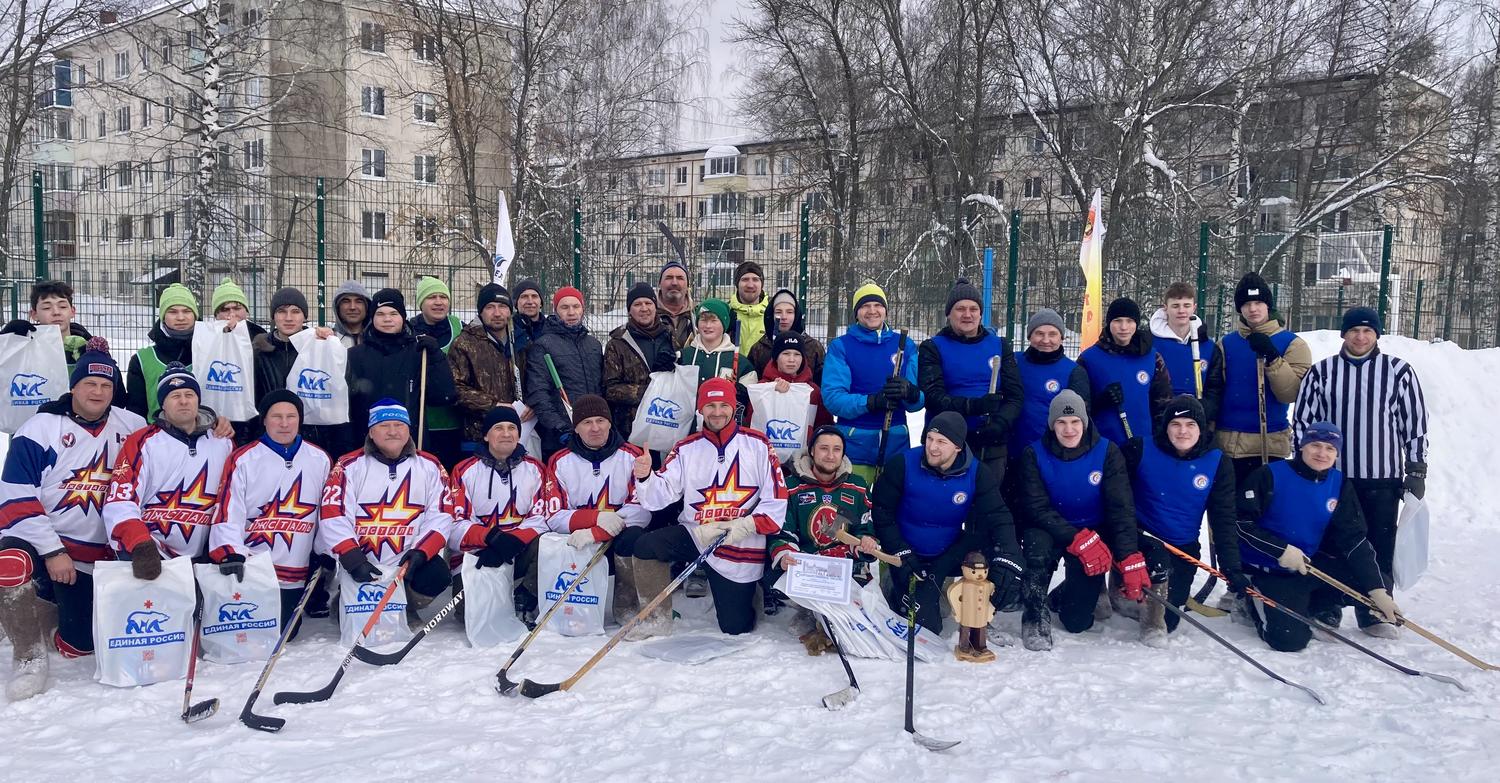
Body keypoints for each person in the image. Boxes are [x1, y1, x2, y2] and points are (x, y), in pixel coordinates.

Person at [0, 341, 144, 699]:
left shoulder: (134, 426)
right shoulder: (40, 428)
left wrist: (214, 422)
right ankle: (28, 652)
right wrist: (51, 551)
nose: (98, 391)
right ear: (73, 387)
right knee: (10, 560)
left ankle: (37, 610)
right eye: (89, 384)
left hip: (98, 557)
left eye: (106, 385)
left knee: (79, 645)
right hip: (47, 543)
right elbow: (15, 497)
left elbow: (177, 436)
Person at [1292, 307, 1427, 637]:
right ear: (1343, 334)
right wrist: (1302, 465)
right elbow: (1303, 422)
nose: (1361, 337)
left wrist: (1416, 468)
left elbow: (1415, 425)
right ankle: (1327, 602)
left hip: (1382, 476)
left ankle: (1375, 609)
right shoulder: (1323, 373)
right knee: (1329, 542)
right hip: (1334, 478)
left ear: (1377, 335)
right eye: (1354, 330)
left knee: (1379, 543)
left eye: (1368, 331)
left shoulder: (1399, 372)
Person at [628, 378, 788, 637]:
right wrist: (646, 477)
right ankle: (655, 618)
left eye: (723, 404)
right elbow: (659, 496)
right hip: (698, 535)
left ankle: (751, 592)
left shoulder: (758, 444)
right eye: (710, 405)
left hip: (740, 543)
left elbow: (776, 501)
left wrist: (745, 525)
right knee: (645, 546)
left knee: (735, 627)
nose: (716, 412)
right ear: (700, 410)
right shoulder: (686, 447)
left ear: (733, 407)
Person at [1237, 422, 1400, 652]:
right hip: (1271, 570)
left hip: (1308, 566)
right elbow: (1240, 524)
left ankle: (1318, 605)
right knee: (1289, 641)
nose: (1322, 453)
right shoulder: (1270, 475)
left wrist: (1376, 590)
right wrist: (1281, 550)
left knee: (1379, 580)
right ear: (1302, 446)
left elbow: (1353, 539)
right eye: (1315, 445)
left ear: (1337, 454)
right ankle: (1252, 601)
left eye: (1330, 448)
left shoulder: (1338, 483)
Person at [871, 412, 1022, 635]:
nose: (932, 447)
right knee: (928, 629)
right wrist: (900, 550)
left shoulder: (977, 473)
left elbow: (998, 515)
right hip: (907, 553)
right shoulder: (902, 464)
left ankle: (975, 614)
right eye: (930, 438)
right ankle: (897, 588)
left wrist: (1008, 557)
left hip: (948, 551)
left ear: (958, 447)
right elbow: (882, 512)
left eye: (942, 442)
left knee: (996, 553)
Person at [1015, 390, 1145, 651]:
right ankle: (1034, 613)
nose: (1069, 429)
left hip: (1093, 533)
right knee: (1035, 546)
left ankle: (1064, 594)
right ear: (1052, 425)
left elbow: (1121, 508)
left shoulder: (1107, 452)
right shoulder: (1033, 454)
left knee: (1077, 622)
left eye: (1075, 421)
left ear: (1084, 422)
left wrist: (1128, 555)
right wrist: (1074, 537)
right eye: (1061, 423)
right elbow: (1035, 506)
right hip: (1050, 529)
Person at [317, 400, 459, 620]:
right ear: (371, 432)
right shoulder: (348, 466)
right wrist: (353, 559)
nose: (393, 431)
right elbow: (333, 513)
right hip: (363, 559)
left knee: (436, 574)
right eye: (384, 426)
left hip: (406, 559)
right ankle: (347, 601)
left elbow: (441, 514)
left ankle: (404, 606)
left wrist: (423, 551)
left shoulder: (430, 466)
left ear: (408, 429)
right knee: (356, 591)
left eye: (399, 425)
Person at [1122, 395, 1243, 645]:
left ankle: (1150, 598)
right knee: (1156, 566)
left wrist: (1231, 566)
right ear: (1166, 427)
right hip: (1142, 540)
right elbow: (1117, 500)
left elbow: (1223, 519)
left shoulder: (1216, 462)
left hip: (1182, 546)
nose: (1183, 431)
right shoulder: (1141, 449)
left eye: (1190, 425)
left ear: (1201, 428)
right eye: (1176, 424)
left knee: (1172, 617)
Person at [209, 390, 331, 635]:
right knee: (252, 632)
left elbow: (328, 514)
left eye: (291, 416)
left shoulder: (320, 459)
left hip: (295, 568)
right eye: (276, 417)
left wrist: (326, 549)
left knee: (287, 631)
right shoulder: (243, 459)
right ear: (264, 420)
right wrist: (230, 551)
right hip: (254, 566)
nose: (284, 424)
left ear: (300, 419)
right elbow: (228, 509)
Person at [530, 395, 651, 623]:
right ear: (576, 428)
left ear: (609, 423)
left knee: (636, 538)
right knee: (546, 542)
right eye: (586, 422)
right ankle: (537, 599)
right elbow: (553, 516)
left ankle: (628, 604)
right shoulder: (559, 461)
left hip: (615, 537)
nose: (595, 428)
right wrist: (595, 518)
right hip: (577, 538)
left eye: (600, 420)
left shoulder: (632, 456)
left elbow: (642, 510)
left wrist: (597, 532)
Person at [104, 364, 234, 573]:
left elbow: (232, 502)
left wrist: (227, 548)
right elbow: (120, 500)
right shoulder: (142, 442)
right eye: (174, 396)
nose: (183, 401)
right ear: (162, 403)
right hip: (153, 556)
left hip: (205, 561)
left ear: (198, 400)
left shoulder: (222, 442)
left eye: (189, 394)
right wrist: (139, 544)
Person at [767, 426, 875, 653]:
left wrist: (865, 540)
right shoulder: (792, 487)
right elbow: (783, 530)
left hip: (844, 567)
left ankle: (830, 622)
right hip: (808, 568)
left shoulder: (855, 487)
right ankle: (811, 613)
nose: (830, 455)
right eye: (824, 448)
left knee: (855, 622)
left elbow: (863, 527)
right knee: (774, 574)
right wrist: (786, 554)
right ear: (812, 451)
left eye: (837, 449)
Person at [1202, 272, 1312, 485]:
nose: (1253, 309)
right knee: (1227, 513)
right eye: (1247, 303)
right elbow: (1215, 390)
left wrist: (1273, 358)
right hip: (1227, 444)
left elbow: (1288, 394)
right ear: (1239, 309)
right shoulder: (1226, 344)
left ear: (1268, 305)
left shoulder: (1292, 344)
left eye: (1258, 302)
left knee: (1263, 513)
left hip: (1267, 444)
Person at [919, 278, 1023, 483]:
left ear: (981, 313)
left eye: (973, 309)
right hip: (945, 442)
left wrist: (1000, 424)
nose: (967, 314)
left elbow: (1015, 395)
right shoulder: (933, 347)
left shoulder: (999, 346)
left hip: (991, 442)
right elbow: (932, 397)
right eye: (960, 309)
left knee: (986, 503)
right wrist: (973, 406)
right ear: (949, 313)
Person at [450, 405, 549, 621]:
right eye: (498, 428)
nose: (506, 434)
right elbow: (456, 524)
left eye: (512, 428)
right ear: (486, 435)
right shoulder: (464, 470)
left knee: (550, 544)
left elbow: (542, 520)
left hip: (517, 551)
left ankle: (526, 594)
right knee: (470, 615)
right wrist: (490, 540)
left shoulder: (536, 469)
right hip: (478, 556)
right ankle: (489, 596)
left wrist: (509, 543)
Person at [821, 282, 923, 483]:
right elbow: (833, 398)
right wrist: (871, 402)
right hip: (854, 445)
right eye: (865, 306)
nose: (872, 311)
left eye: (878, 305)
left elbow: (917, 402)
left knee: (890, 511)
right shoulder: (841, 346)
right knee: (851, 512)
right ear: (856, 312)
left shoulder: (904, 345)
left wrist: (909, 393)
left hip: (896, 445)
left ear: (885, 310)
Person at [345, 288, 458, 449]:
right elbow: (346, 404)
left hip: (412, 443)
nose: (387, 319)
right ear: (372, 318)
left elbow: (443, 395)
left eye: (393, 314)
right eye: (380, 314)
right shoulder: (355, 355)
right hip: (367, 443)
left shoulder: (419, 352)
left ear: (403, 318)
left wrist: (436, 358)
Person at [1078, 296, 1171, 447]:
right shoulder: (1088, 359)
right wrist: (1100, 401)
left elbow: (1163, 402)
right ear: (1109, 323)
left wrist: (1158, 439)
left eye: (1129, 321)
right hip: (1102, 446)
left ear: (1136, 323)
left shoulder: (1152, 358)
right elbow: (1078, 406)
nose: (1124, 327)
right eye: (1118, 321)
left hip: (1143, 444)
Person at [522, 286, 603, 458]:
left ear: (583, 309)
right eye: (565, 307)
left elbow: (601, 388)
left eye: (576, 306)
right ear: (556, 310)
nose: (571, 312)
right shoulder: (543, 345)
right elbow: (539, 393)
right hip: (560, 438)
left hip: (594, 433)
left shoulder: (594, 345)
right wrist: (560, 428)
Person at [1009, 308, 1091, 461]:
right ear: (1029, 336)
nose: (1046, 340)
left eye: (1052, 334)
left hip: (1050, 454)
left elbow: (1079, 417)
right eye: (1039, 333)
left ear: (1061, 337)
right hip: (1012, 449)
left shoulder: (1074, 371)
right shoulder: (1013, 363)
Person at [450, 283, 523, 452]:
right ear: (481, 312)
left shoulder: (520, 342)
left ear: (510, 311)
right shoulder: (465, 343)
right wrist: (493, 405)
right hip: (477, 437)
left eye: (502, 307)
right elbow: (456, 389)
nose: (497, 313)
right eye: (490, 307)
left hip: (516, 435)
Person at [603, 282, 678, 439]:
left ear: (655, 306)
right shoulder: (617, 343)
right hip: (631, 429)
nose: (644, 308)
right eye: (637, 304)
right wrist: (649, 392)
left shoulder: (670, 336)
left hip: (666, 423)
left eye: (648, 303)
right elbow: (610, 389)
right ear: (629, 310)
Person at [409, 276, 464, 468]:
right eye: (432, 297)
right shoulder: (409, 329)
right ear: (421, 303)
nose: (439, 302)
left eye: (443, 297)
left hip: (454, 419)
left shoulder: (459, 327)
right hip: (422, 421)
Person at [1, 280, 109, 377]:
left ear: (72, 311)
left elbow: (115, 392)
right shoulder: (23, 345)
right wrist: (6, 341)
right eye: (47, 308)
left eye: (62, 307)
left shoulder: (91, 348)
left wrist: (95, 357)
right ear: (34, 314)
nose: (56, 312)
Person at [125, 283, 198, 420]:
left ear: (195, 315)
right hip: (155, 437)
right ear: (163, 317)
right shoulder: (142, 359)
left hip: (204, 436)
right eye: (173, 312)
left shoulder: (210, 353)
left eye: (187, 311)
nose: (181, 317)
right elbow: (136, 410)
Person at [679, 299, 757, 426]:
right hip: (684, 431)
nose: (708, 326)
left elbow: (749, 404)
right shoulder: (683, 356)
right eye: (703, 320)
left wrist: (742, 393)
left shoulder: (742, 363)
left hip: (722, 432)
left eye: (714, 320)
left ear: (724, 323)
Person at [1149, 282, 1216, 398]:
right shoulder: (1151, 344)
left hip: (1197, 413)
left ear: (1194, 307)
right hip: (1163, 413)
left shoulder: (1208, 346)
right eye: (1175, 306)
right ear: (1165, 307)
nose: (1181, 311)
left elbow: (1214, 389)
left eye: (1187, 305)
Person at [747, 287, 825, 383]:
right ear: (771, 315)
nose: (784, 317)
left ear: (796, 315)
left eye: (789, 312)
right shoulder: (759, 348)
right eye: (778, 312)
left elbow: (822, 382)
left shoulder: (812, 347)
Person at [758, 332, 832, 430]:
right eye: (786, 354)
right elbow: (753, 421)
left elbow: (824, 427)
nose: (792, 360)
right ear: (776, 357)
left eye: (797, 354)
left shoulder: (813, 391)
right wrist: (770, 392)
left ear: (803, 358)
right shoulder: (762, 387)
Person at [728, 261, 769, 360]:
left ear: (761, 284)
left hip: (765, 375)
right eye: (745, 279)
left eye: (755, 279)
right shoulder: (727, 314)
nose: (750, 285)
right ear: (737, 284)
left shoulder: (772, 313)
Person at [511, 279, 546, 379]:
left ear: (541, 302)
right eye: (524, 297)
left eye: (534, 296)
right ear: (516, 303)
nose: (530, 301)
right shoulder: (508, 329)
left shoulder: (551, 329)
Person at [656, 260, 695, 349]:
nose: (674, 283)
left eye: (680, 278)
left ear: (688, 286)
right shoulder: (649, 316)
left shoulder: (697, 318)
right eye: (669, 278)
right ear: (659, 284)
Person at [332, 280, 373, 348]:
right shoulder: (328, 340)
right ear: (337, 308)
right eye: (346, 301)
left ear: (367, 307)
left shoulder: (378, 340)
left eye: (359, 301)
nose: (352, 307)